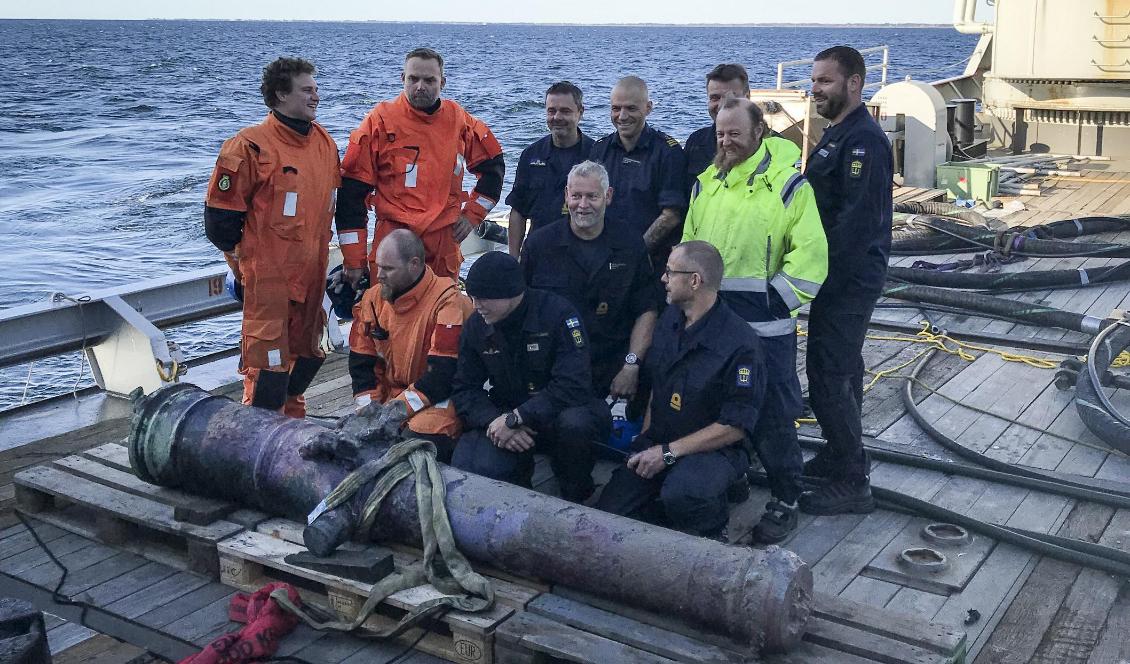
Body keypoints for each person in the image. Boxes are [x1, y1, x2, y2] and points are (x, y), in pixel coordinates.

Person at [683, 97, 828, 544]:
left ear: (759, 132)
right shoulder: (705, 184)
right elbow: (689, 248)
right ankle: (733, 476)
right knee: (715, 405)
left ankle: (786, 497)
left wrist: (776, 301)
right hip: (714, 324)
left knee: (772, 413)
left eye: (735, 133)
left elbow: (812, 255)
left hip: (766, 329)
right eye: (720, 134)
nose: (726, 141)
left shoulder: (788, 186)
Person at [204, 57, 350, 418]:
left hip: (311, 276)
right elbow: (220, 224)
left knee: (307, 357)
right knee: (267, 373)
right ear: (281, 95)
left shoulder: (324, 144)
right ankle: (255, 438)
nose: (316, 96)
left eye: (316, 89)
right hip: (268, 283)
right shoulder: (248, 147)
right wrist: (247, 267)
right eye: (307, 90)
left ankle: (292, 428)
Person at [595, 242, 764, 541]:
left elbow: (735, 426)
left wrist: (668, 453)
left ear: (695, 281)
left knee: (685, 495)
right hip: (663, 439)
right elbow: (658, 386)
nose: (663, 278)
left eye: (670, 272)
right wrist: (645, 442)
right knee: (613, 509)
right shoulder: (670, 319)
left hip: (712, 450)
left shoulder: (740, 344)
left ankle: (714, 521)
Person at [800, 46, 894, 515]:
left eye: (825, 81)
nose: (815, 89)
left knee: (829, 372)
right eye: (814, 80)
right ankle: (840, 454)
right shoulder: (838, 133)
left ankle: (853, 480)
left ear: (854, 83)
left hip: (847, 278)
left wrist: (814, 274)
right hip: (834, 275)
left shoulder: (864, 143)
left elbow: (855, 224)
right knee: (841, 368)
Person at [451, 251, 611, 502]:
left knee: (576, 424)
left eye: (483, 298)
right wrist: (495, 422)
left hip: (559, 412)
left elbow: (573, 384)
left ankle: (576, 491)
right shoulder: (477, 326)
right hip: (507, 413)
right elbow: (465, 388)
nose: (476, 305)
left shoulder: (558, 315)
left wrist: (519, 416)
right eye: (472, 297)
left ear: (511, 292)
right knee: (474, 464)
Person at [339, 47, 505, 280]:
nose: (420, 86)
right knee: (387, 303)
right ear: (402, 79)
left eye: (429, 80)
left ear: (442, 82)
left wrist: (472, 216)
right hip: (393, 240)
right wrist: (355, 261)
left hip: (443, 242)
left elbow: (493, 169)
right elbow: (351, 196)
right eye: (413, 79)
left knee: (442, 303)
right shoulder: (379, 122)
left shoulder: (459, 120)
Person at [520, 161, 658, 401]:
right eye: (576, 196)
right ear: (566, 195)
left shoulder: (630, 244)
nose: (583, 205)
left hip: (612, 368)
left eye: (592, 196)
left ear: (608, 196)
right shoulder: (539, 245)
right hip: (552, 368)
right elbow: (520, 308)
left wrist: (631, 365)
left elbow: (646, 310)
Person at [348, 229, 472, 462]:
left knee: (410, 446)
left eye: (388, 269)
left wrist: (395, 412)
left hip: (440, 399)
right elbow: (361, 364)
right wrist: (368, 411)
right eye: (378, 266)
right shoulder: (373, 300)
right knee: (362, 443)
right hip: (396, 397)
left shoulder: (447, 302)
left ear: (414, 264)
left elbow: (441, 377)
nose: (379, 275)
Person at [590, 76, 686, 268]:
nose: (622, 116)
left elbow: (672, 215)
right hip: (603, 256)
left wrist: (635, 253)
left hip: (650, 262)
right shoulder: (599, 150)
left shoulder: (668, 152)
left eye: (631, 108)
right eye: (616, 108)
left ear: (648, 108)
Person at [507, 81, 595, 257]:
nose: (557, 117)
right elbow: (518, 211)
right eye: (551, 111)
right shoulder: (531, 155)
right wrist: (513, 259)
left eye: (565, 111)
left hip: (582, 254)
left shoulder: (596, 155)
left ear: (580, 112)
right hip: (537, 254)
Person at [684, 64, 750, 193]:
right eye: (715, 98)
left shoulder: (771, 145)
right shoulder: (695, 143)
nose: (722, 105)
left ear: (747, 97)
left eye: (732, 97)